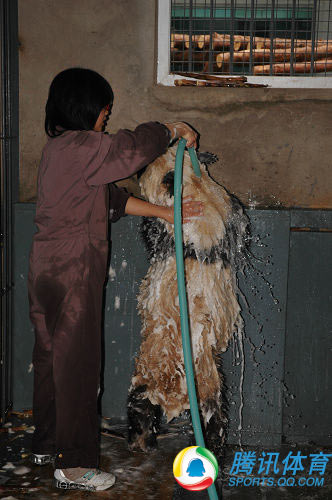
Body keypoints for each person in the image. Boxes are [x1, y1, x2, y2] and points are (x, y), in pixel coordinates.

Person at [27, 67, 202, 491]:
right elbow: (131, 149)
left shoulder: (58, 150)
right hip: (73, 268)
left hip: (43, 269)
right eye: (106, 110)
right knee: (80, 366)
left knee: (52, 361)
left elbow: (109, 198)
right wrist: (170, 128)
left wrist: (164, 213)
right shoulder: (88, 145)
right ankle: (75, 465)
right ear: (89, 108)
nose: (108, 117)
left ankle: (47, 444)